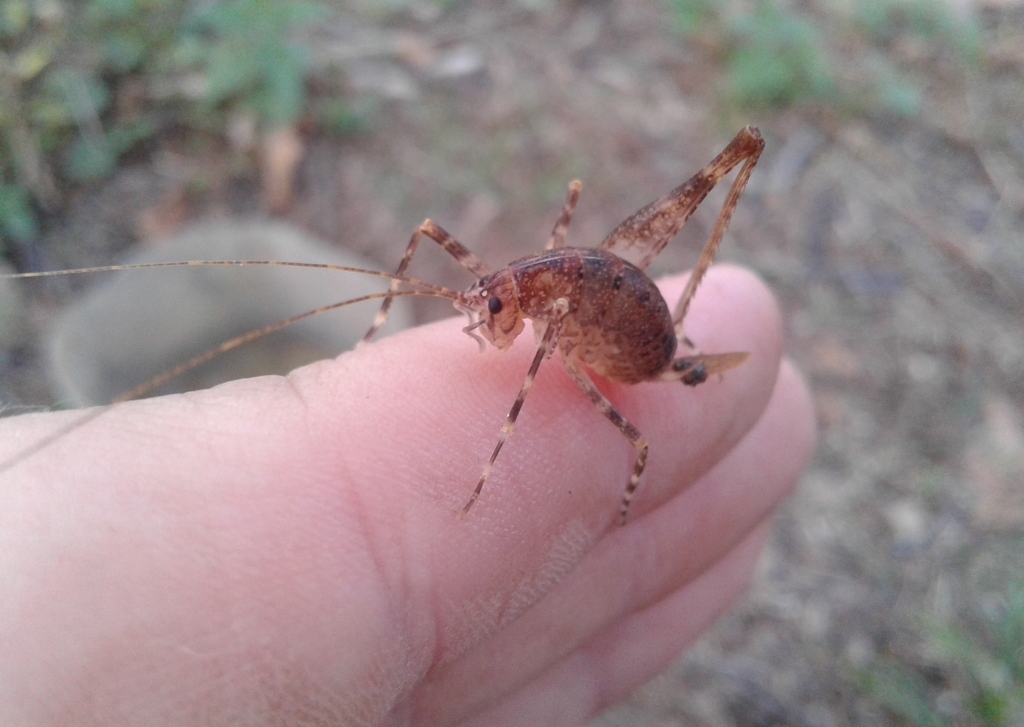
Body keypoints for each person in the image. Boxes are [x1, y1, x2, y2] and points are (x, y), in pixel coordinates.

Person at [0, 266, 814, 725]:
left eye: (490, 308)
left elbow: (526, 387)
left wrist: (489, 471)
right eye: (486, 303)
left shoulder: (551, 334)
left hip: (630, 340)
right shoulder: (518, 288)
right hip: (601, 299)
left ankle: (689, 325)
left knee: (631, 440)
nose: (483, 319)